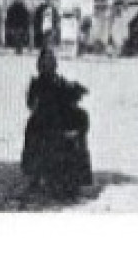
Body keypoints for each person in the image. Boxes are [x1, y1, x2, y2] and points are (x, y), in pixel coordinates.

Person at [21, 44, 94, 198]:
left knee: (79, 126)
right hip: (44, 122)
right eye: (46, 62)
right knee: (40, 134)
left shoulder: (60, 81)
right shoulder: (37, 83)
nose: (49, 65)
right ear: (40, 66)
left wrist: (74, 92)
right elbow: (31, 105)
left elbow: (69, 98)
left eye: (52, 62)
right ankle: (40, 175)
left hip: (60, 119)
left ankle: (73, 178)